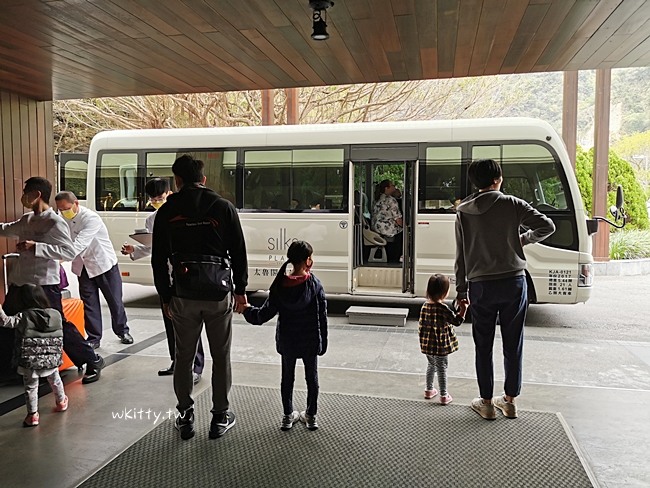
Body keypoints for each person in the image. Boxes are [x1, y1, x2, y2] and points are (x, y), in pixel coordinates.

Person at [152, 154, 249, 441]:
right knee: (221, 356)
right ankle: (220, 417)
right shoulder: (223, 207)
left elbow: (159, 260)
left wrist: (165, 296)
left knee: (183, 358)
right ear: (203, 179)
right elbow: (239, 253)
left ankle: (185, 417)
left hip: (182, 294)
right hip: (218, 294)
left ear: (177, 181)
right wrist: (240, 290)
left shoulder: (166, 212)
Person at [454, 159, 555, 420]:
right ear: (498, 179)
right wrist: (523, 239)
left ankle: (486, 403)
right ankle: (509, 401)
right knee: (513, 343)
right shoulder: (512, 203)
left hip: (480, 286)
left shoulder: (463, 211)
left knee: (483, 345)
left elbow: (461, 256)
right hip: (513, 282)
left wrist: (461, 292)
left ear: (475, 183)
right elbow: (547, 226)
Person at [0, 177, 104, 384]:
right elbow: (5, 229)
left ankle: (92, 360)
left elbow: (69, 251)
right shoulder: (26, 219)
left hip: (44, 284)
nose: (23, 195)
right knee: (5, 324)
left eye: (25, 191)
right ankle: (6, 369)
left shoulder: (54, 222)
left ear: (36, 194)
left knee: (57, 325)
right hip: (20, 282)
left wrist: (35, 247)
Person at [121, 178, 203, 384]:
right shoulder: (152, 219)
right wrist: (135, 250)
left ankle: (195, 366)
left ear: (169, 192)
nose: (157, 201)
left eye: (160, 197)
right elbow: (152, 247)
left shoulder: (183, 212)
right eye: (153, 199)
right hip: (165, 275)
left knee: (189, 323)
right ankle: (176, 361)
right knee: (170, 320)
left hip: (184, 273)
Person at [242, 241, 327, 431]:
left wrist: (246, 309)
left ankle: (288, 416)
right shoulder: (315, 285)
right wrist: (322, 344)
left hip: (288, 341)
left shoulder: (280, 286)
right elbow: (322, 317)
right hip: (310, 342)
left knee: (287, 378)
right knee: (311, 378)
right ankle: (311, 416)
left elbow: (262, 315)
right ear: (308, 261)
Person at [55, 191, 133, 348]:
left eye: (67, 208)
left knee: (115, 300)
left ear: (76, 203)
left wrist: (59, 259)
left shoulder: (91, 218)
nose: (64, 212)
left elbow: (79, 244)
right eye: (61, 209)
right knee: (89, 303)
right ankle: (94, 337)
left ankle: (122, 330)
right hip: (83, 267)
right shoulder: (61, 219)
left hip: (103, 264)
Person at [0, 284, 68, 426]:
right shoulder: (55, 314)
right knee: (55, 381)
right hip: (51, 359)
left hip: (30, 361)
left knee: (31, 387)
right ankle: (61, 402)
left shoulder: (24, 317)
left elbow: (5, 321)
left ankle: (33, 416)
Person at [418, 274, 466, 405]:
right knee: (442, 368)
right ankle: (444, 395)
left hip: (428, 346)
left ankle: (428, 390)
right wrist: (463, 310)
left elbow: (421, 326)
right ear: (445, 292)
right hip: (440, 347)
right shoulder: (443, 308)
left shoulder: (424, 306)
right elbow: (456, 321)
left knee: (431, 365)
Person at [372, 179, 403, 262]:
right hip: (387, 229)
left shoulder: (377, 199)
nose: (394, 187)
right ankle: (396, 258)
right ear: (387, 188)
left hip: (377, 227)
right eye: (392, 185)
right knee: (402, 233)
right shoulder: (391, 200)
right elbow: (398, 219)